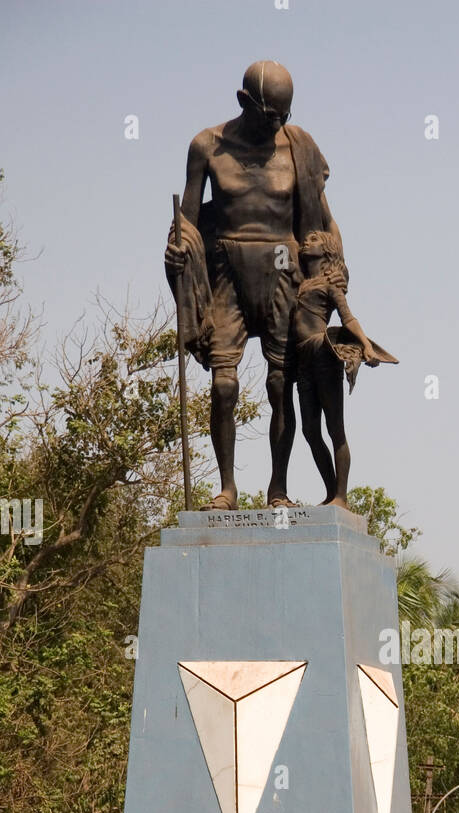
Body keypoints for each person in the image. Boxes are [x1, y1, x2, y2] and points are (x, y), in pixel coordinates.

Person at [165, 60, 342, 510]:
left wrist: (331, 273)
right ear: (244, 102)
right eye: (270, 115)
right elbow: (187, 221)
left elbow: (321, 222)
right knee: (224, 383)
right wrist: (180, 250)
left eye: (285, 114)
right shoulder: (206, 146)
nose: (278, 124)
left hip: (283, 266)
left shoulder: (298, 147)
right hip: (226, 268)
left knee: (280, 383)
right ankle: (227, 488)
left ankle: (277, 488)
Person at [293, 230, 396, 504]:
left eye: (313, 240)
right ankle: (330, 492)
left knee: (335, 428)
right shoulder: (300, 282)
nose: (306, 241)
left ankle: (341, 496)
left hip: (322, 353)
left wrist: (366, 345)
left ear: (326, 251)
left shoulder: (330, 284)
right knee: (310, 430)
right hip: (302, 360)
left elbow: (348, 318)